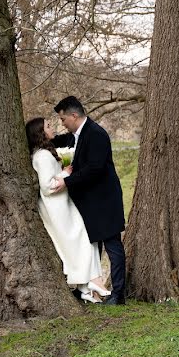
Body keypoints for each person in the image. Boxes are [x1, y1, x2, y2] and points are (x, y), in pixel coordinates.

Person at [50, 96, 127, 305]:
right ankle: (93, 289)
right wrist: (47, 139)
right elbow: (65, 142)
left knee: (113, 246)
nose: (63, 123)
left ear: (74, 116)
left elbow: (95, 168)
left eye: (63, 119)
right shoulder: (78, 134)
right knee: (92, 248)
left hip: (104, 201)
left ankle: (119, 294)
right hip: (90, 204)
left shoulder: (96, 134)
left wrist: (67, 181)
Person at [25, 117, 110, 303]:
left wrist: (63, 170)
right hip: (57, 209)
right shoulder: (42, 156)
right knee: (79, 244)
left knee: (84, 241)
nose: (52, 128)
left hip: (64, 205)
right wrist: (66, 174)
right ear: (39, 133)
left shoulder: (46, 154)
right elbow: (47, 187)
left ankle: (88, 288)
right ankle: (92, 282)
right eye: (47, 126)